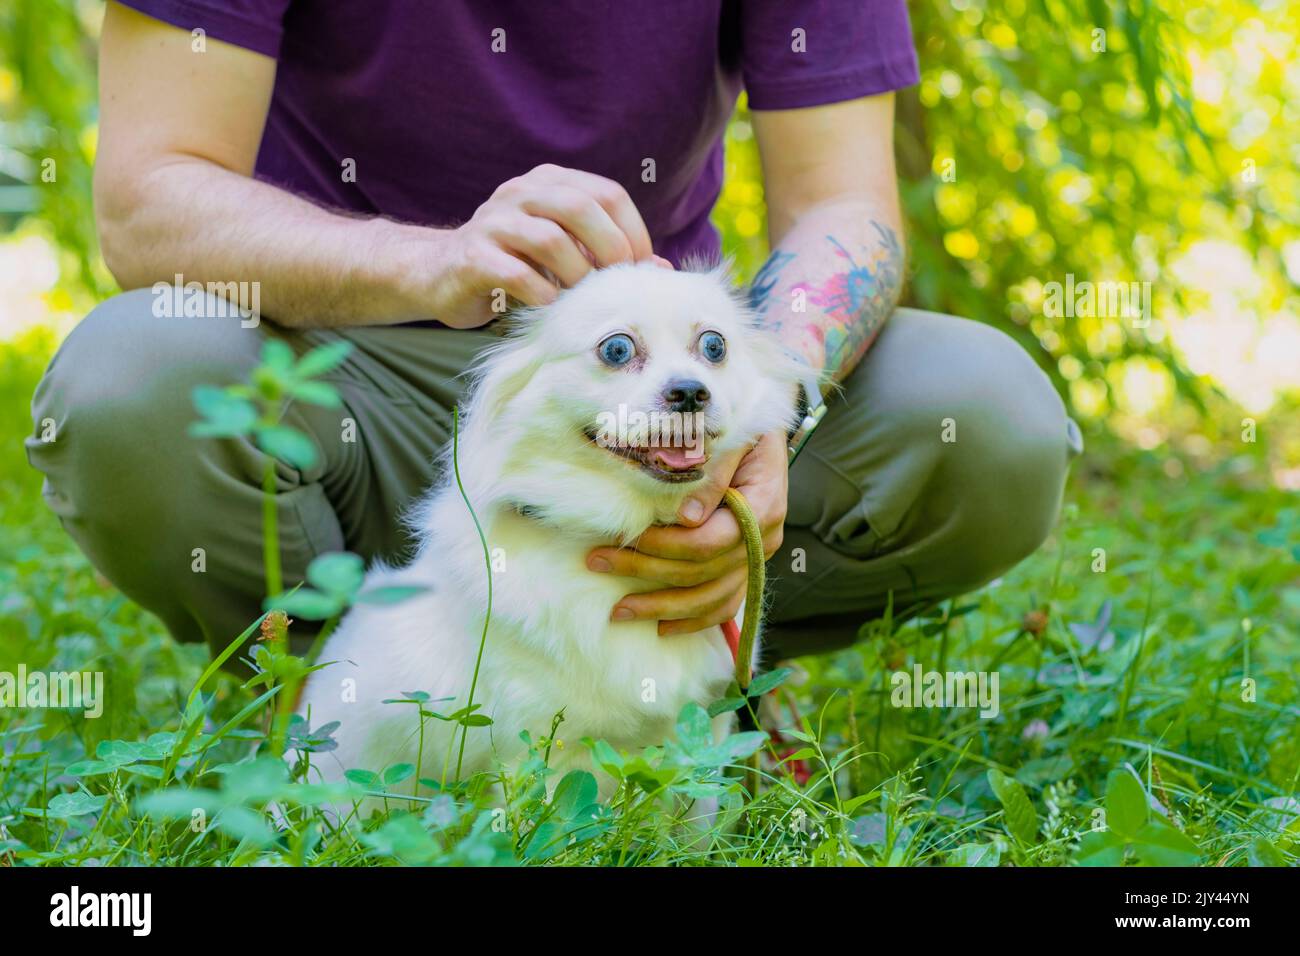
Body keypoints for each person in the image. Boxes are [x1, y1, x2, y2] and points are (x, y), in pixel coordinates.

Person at [27, 1, 1079, 663]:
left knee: (985, 414)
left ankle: (689, 673)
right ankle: (337, 706)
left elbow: (846, 206)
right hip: (341, 373)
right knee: (133, 378)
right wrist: (428, 263)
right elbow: (146, 201)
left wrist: (770, 412)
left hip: (653, 412)